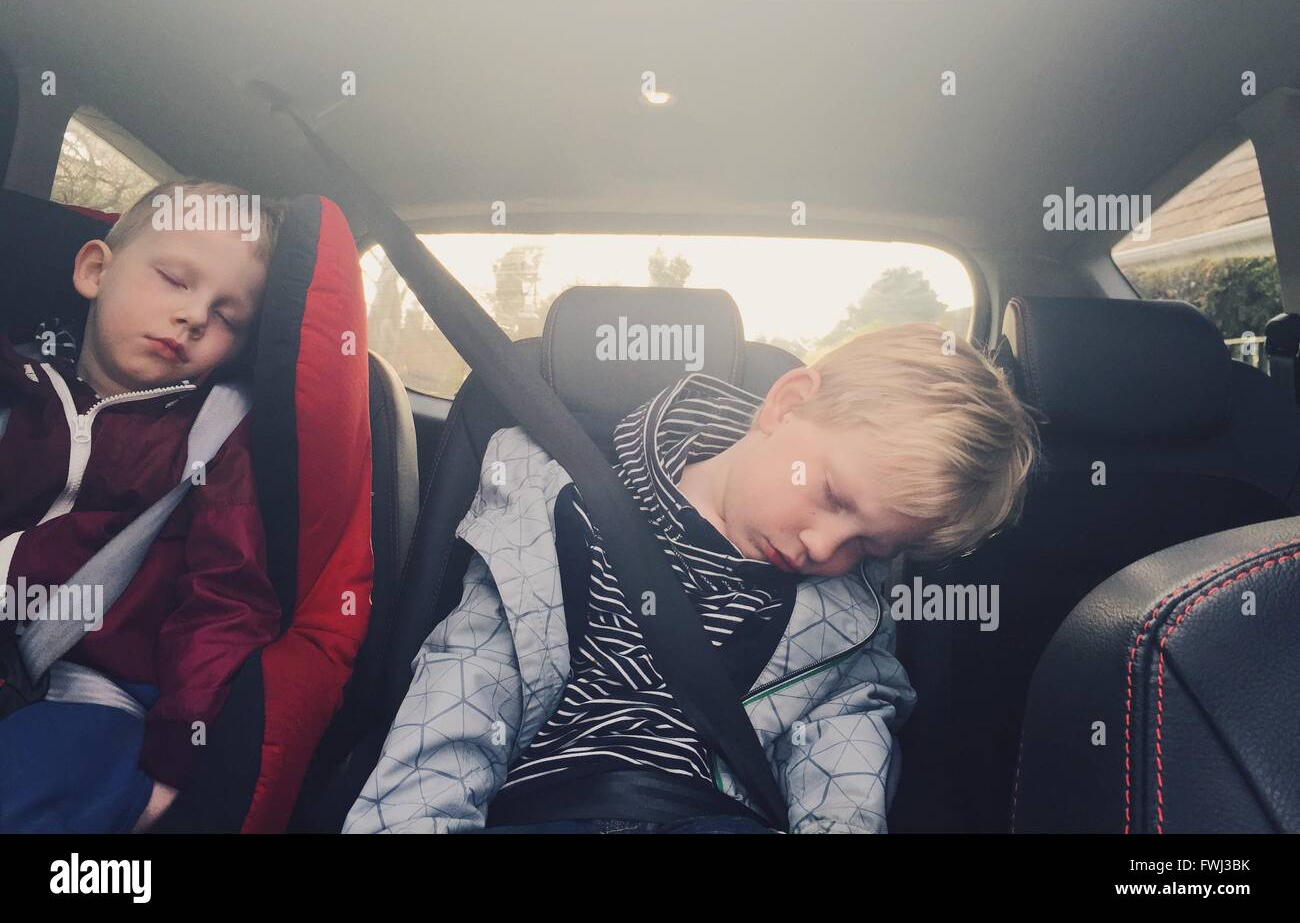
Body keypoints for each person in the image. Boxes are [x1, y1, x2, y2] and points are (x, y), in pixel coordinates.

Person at [345, 322, 1041, 834]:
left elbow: (842, 763)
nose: (825, 546)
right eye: (831, 496)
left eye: (869, 547)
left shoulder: (846, 619)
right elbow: (461, 700)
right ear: (787, 403)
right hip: (544, 808)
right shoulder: (551, 509)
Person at [0, 179, 284, 833]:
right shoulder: (19, 384)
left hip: (96, 692)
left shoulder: (214, 439)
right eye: (174, 280)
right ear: (96, 270)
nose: (194, 317)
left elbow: (228, 598)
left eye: (227, 317)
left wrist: (179, 755)